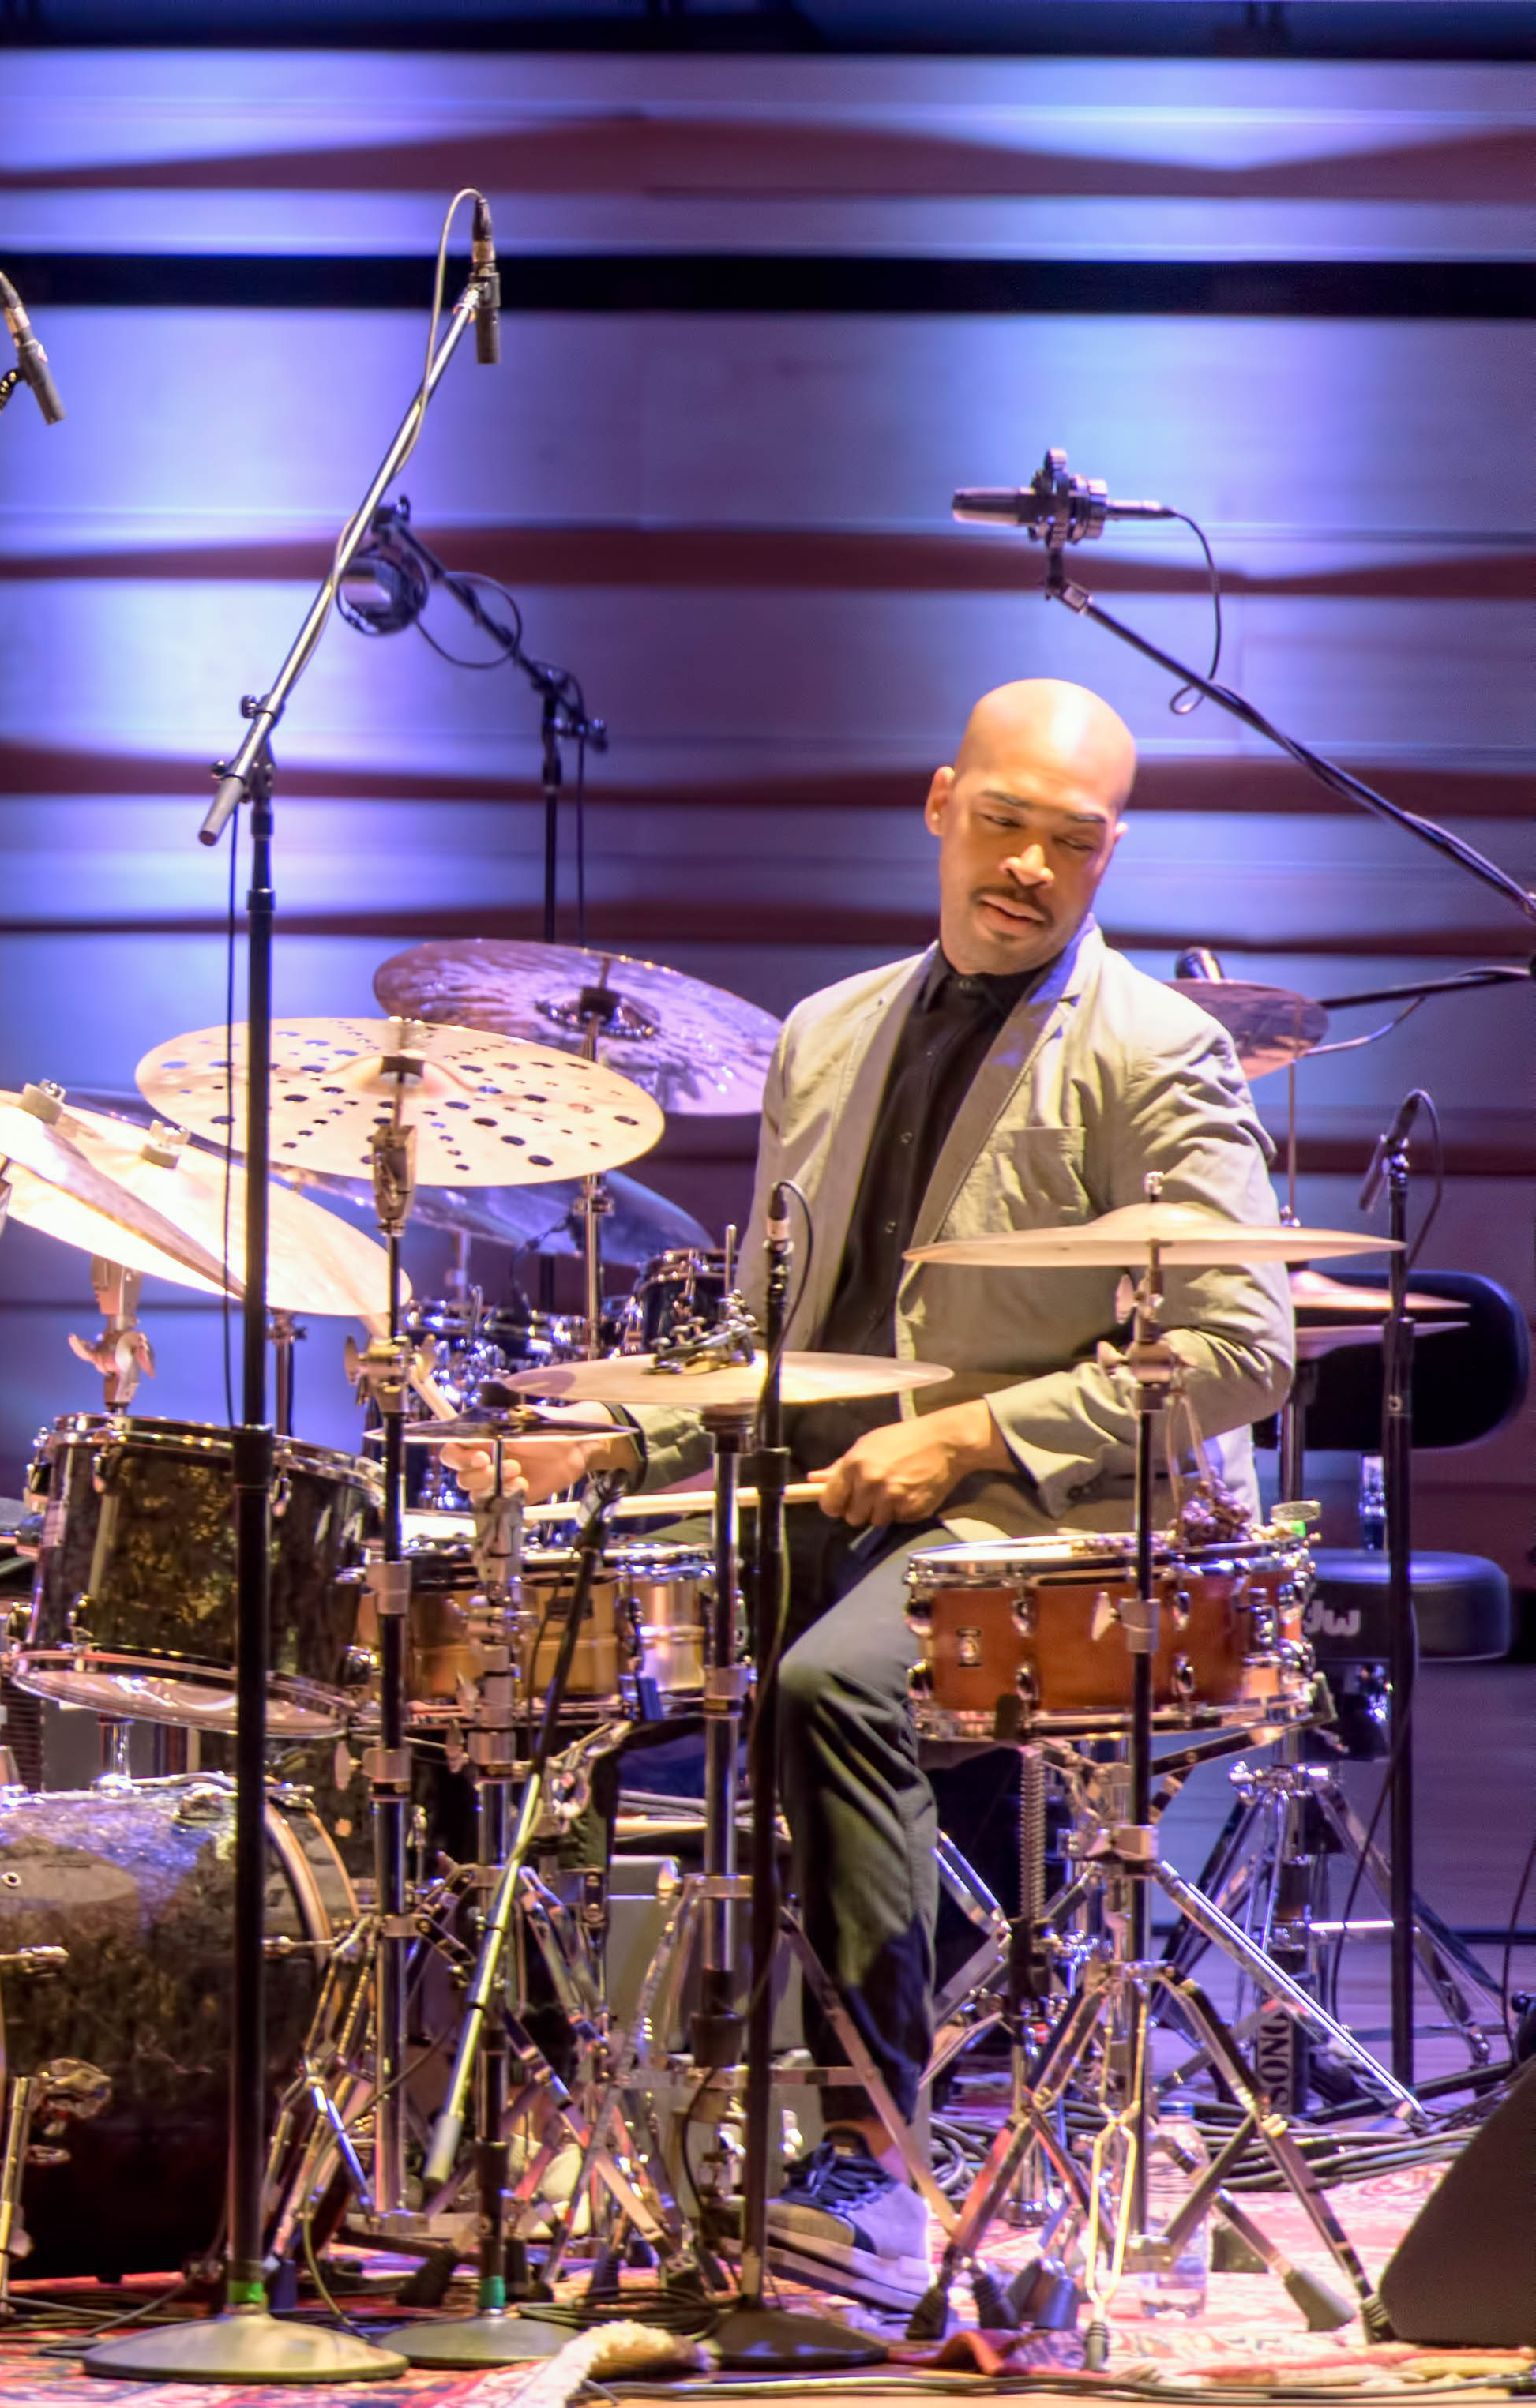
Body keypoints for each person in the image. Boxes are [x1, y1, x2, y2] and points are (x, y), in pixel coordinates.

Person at [465, 678, 1290, 2290]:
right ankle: (531, 2114)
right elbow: (783, 1342)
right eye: (1000, 824)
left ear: (1107, 853)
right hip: (838, 1484)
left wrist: (971, 1439)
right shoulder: (828, 1031)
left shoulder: (1154, 1050)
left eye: (1069, 842)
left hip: (1056, 1519)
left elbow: (1235, 1346)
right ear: (937, 806)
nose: (1026, 869)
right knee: (496, 1642)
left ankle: (872, 2153)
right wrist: (617, 1444)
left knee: (825, 1684)